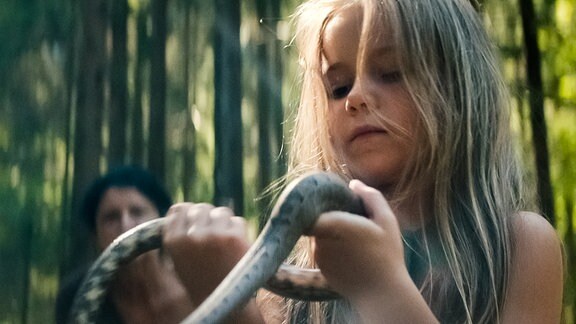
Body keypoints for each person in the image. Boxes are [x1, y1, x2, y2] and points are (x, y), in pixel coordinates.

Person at [162, 0, 564, 323]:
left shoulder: (516, 247)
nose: (356, 97)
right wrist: (224, 297)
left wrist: (378, 285)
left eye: (390, 73)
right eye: (338, 87)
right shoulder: (297, 277)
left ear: (461, 90)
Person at [55, 165, 193, 323]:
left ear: (162, 218)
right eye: (111, 217)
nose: (125, 225)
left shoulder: (195, 280)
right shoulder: (77, 294)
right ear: (95, 234)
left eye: (137, 212)